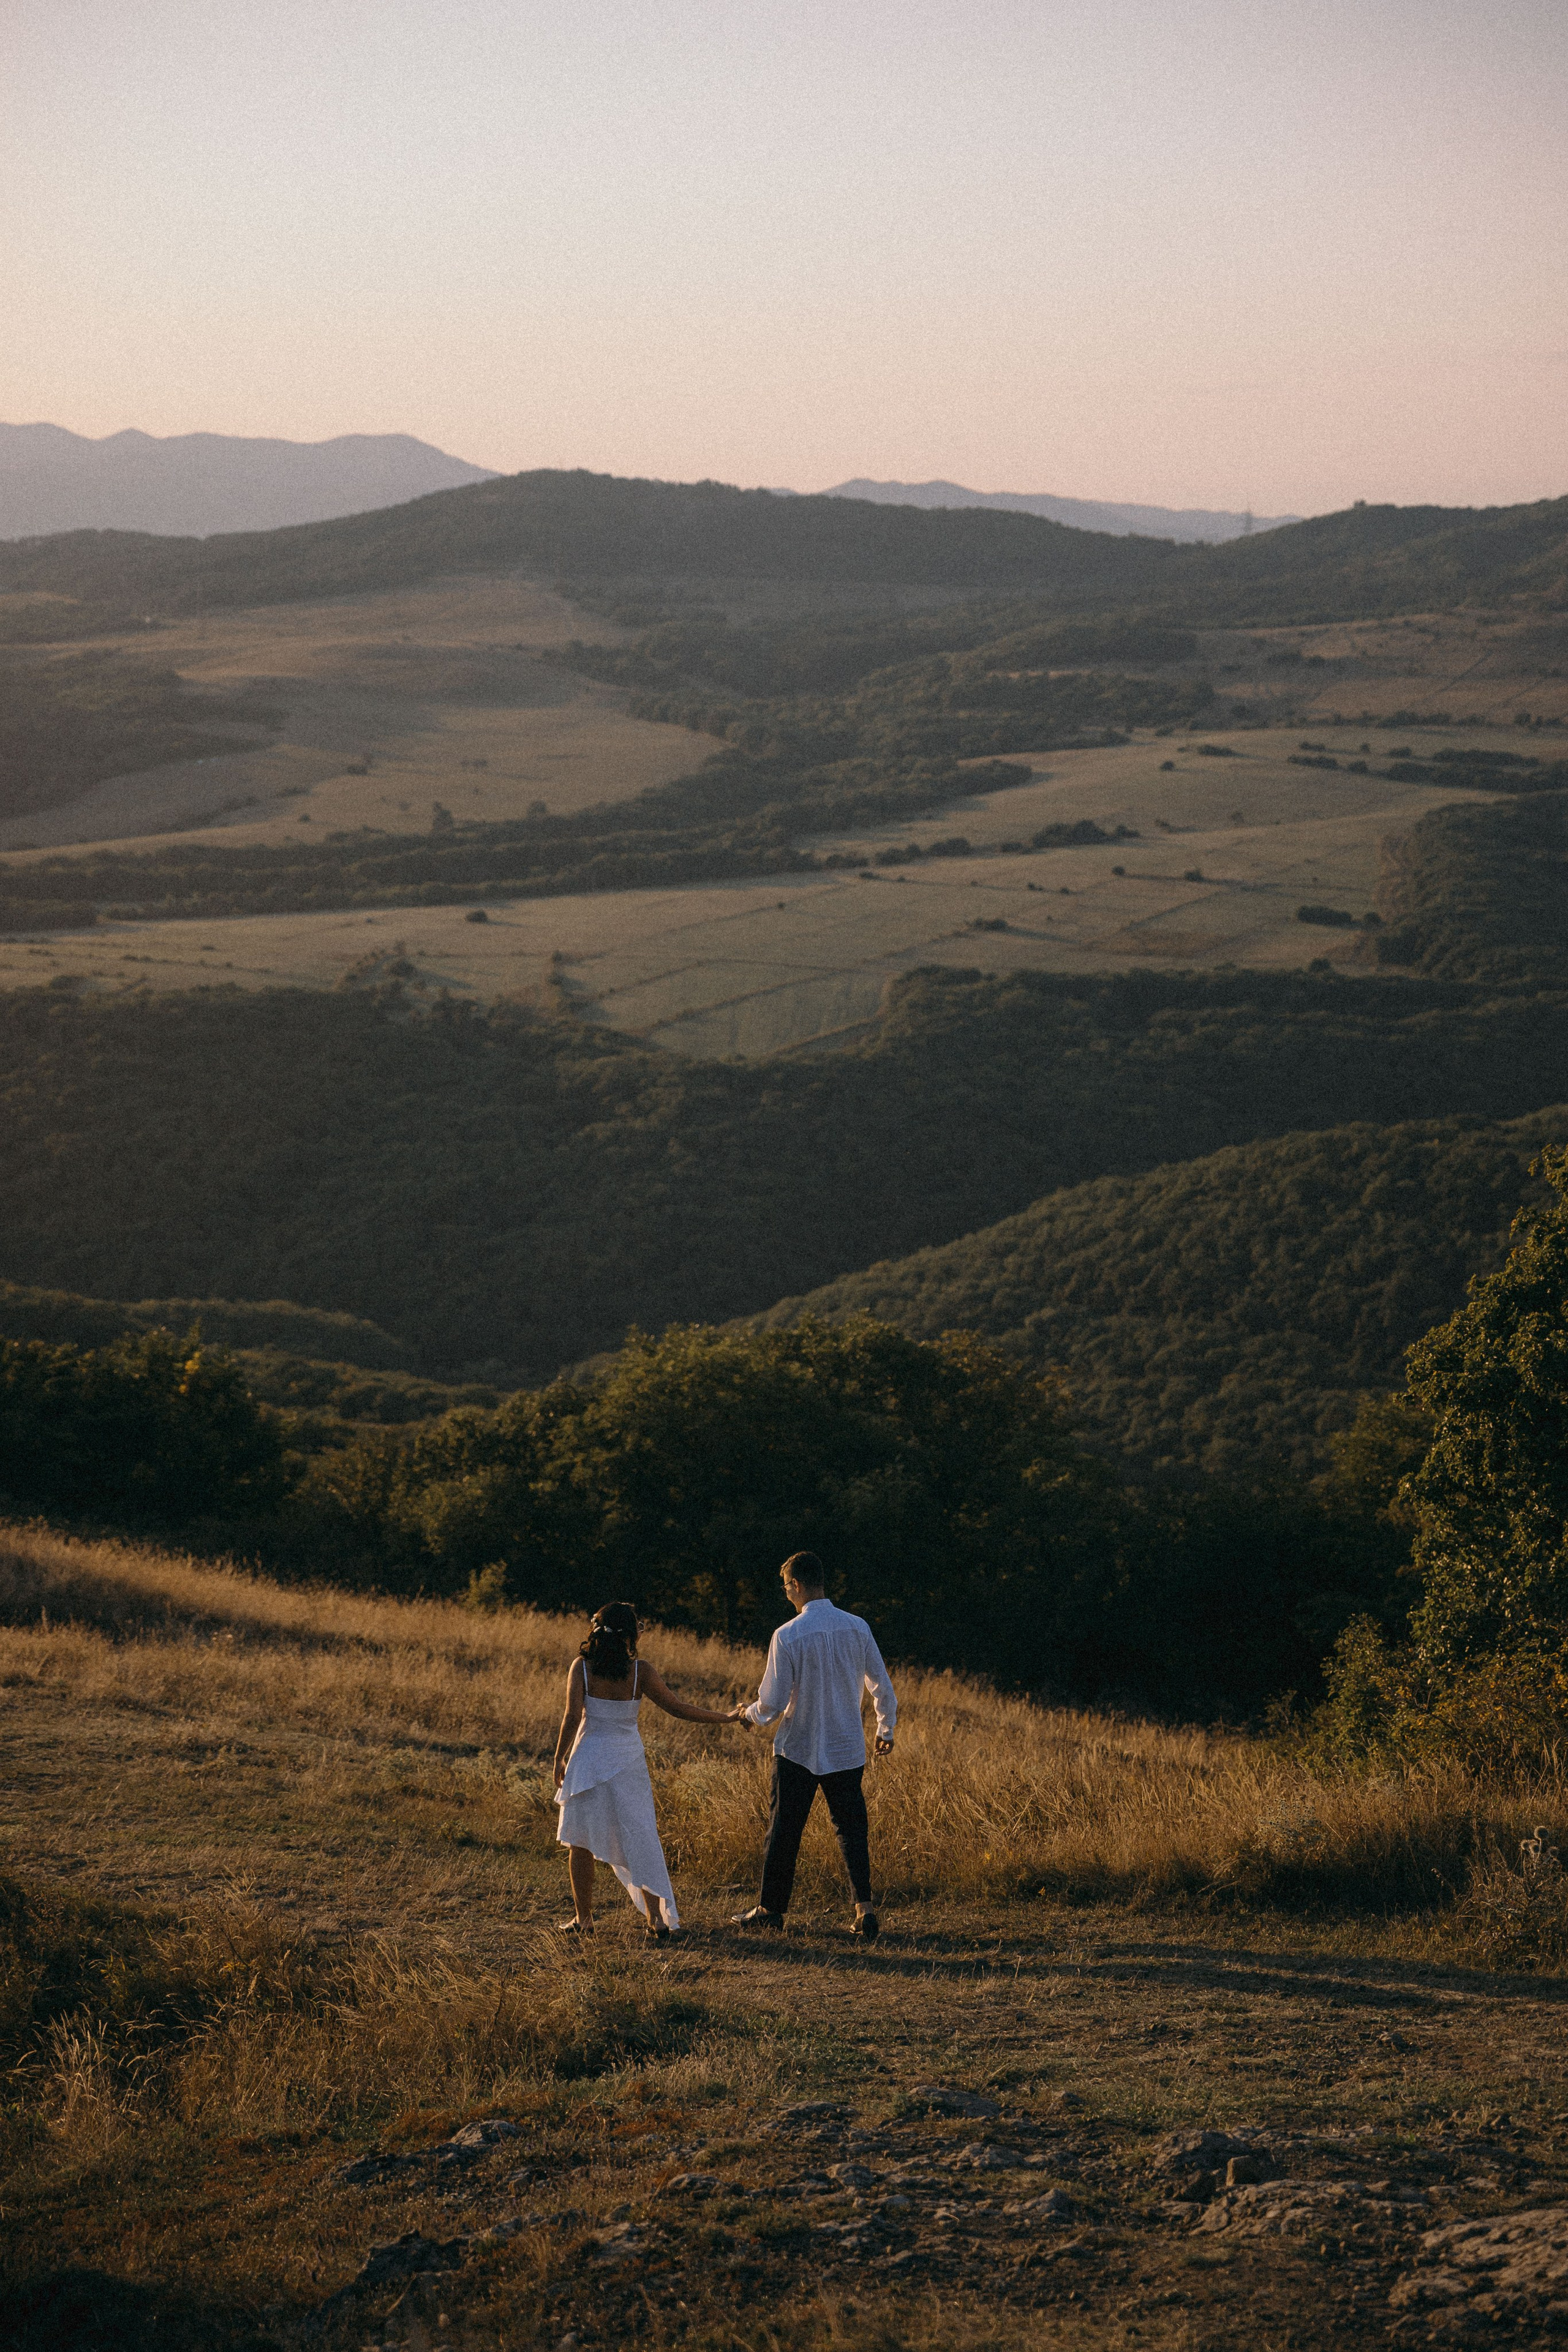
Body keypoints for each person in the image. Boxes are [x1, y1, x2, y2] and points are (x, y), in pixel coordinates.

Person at [731, 1552, 897, 1938]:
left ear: (799, 1585)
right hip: (845, 1747)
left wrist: (748, 1716)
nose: (786, 1593)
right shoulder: (858, 1627)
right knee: (852, 1829)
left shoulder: (787, 1635)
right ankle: (865, 1911)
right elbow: (881, 1685)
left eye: (787, 1585)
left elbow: (771, 1704)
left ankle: (771, 1911)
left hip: (798, 1749)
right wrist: (885, 1730)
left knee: (784, 1830)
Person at [553, 1601, 739, 1939]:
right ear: (629, 1633)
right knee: (641, 1835)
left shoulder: (582, 1667)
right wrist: (725, 1717)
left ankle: (584, 1920)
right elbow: (678, 1708)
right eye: (640, 1625)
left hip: (588, 1759)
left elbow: (571, 1717)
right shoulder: (641, 1672)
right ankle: (655, 1919)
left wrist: (558, 1758)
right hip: (628, 1764)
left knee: (579, 1841)